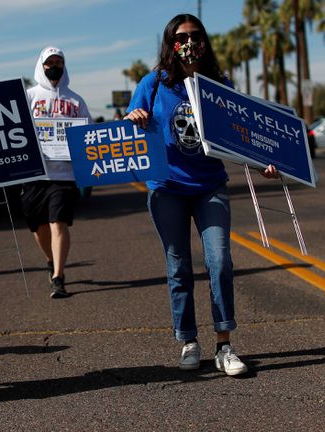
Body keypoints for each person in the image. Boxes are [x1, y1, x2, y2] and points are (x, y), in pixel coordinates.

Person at [124, 14, 278, 376]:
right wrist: (135, 117)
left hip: (210, 186)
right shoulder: (153, 83)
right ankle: (188, 341)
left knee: (219, 261)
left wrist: (264, 163)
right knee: (178, 267)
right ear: (170, 43)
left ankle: (224, 345)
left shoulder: (218, 85)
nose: (189, 42)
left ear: (205, 41)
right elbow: (131, 125)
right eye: (182, 37)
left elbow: (240, 134)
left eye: (195, 35)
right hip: (167, 189)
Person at [23, 46, 92, 299]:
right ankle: (51, 261)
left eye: (58, 62)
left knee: (58, 222)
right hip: (35, 174)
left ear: (64, 65)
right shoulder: (29, 96)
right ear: (41, 65)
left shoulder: (76, 101)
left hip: (64, 175)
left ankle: (58, 277)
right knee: (38, 227)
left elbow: (89, 133)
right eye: (49, 62)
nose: (54, 66)